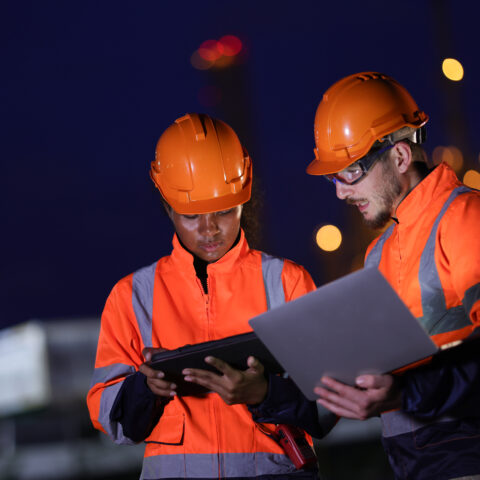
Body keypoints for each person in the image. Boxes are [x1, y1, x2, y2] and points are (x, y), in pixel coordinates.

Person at [87, 113, 334, 480]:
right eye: (191, 215)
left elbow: (329, 406)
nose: (209, 229)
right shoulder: (132, 296)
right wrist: (145, 389)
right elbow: (113, 420)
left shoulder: (286, 281)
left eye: (222, 211)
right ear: (167, 204)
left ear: (243, 196)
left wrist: (264, 393)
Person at [306, 72, 480, 480]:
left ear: (400, 157)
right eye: (335, 177)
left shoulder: (464, 219)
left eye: (350, 172)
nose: (340, 192)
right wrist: (265, 395)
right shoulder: (378, 255)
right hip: (411, 467)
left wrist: (406, 392)